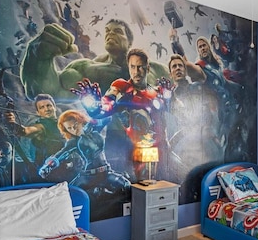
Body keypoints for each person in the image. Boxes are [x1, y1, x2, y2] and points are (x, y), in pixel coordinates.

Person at [74, 48, 170, 181]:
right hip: (137, 153)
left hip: (162, 149)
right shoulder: (122, 88)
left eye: (140, 67)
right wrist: (93, 105)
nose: (136, 72)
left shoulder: (155, 91)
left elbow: (167, 113)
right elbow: (104, 107)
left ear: (147, 68)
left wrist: (168, 97)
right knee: (141, 192)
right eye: (132, 67)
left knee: (167, 189)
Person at [19, 19, 168, 101]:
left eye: (117, 31)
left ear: (129, 41)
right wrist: (37, 61)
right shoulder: (86, 68)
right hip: (112, 137)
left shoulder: (155, 69)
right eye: (107, 31)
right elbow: (46, 92)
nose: (110, 34)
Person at [38, 110, 131, 221]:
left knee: (126, 185)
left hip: (106, 173)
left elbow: (108, 115)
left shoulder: (96, 129)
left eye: (75, 125)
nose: (74, 130)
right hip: (87, 177)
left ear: (81, 121)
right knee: (69, 196)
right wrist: (47, 166)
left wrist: (122, 114)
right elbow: (60, 154)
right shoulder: (74, 142)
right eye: (69, 128)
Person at [165, 55, 222, 202]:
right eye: (174, 66)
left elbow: (211, 113)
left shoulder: (197, 88)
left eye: (180, 66)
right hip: (181, 150)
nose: (178, 68)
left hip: (204, 145)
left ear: (185, 70)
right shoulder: (168, 97)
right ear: (170, 73)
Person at [5, 93, 79, 182]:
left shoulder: (65, 124)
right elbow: (26, 131)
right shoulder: (41, 127)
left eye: (48, 105)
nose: (46, 109)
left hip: (71, 172)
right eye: (42, 107)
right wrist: (11, 122)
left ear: (54, 107)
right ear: (38, 112)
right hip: (50, 176)